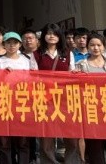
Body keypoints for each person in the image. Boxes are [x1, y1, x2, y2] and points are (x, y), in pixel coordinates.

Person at [33, 23, 80, 164]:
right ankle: (49, 161)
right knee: (47, 134)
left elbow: (72, 73)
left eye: (55, 33)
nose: (51, 36)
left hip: (65, 98)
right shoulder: (36, 54)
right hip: (45, 98)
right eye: (48, 33)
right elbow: (33, 76)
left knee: (71, 134)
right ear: (43, 36)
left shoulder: (67, 53)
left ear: (60, 36)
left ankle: (72, 161)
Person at [76, 33, 106, 164]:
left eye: (99, 45)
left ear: (103, 46)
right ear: (87, 46)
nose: (96, 48)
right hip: (91, 110)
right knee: (95, 148)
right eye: (92, 45)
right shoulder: (80, 65)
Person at [0, 32, 35, 164]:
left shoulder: (26, 61)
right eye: (8, 43)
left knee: (23, 141)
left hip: (22, 103)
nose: (12, 45)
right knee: (4, 142)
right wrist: (2, 75)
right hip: (3, 103)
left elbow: (33, 80)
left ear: (20, 45)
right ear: (3, 45)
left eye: (15, 43)